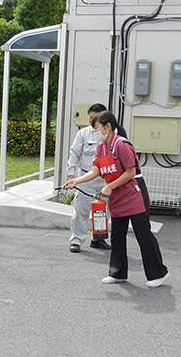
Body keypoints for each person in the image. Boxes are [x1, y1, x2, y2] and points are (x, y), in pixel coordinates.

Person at [63, 111, 169, 288]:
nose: (94, 132)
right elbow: (95, 170)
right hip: (117, 195)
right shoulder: (101, 147)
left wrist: (110, 186)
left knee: (143, 235)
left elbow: (131, 172)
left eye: (96, 128)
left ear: (108, 127)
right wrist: (76, 180)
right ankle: (118, 273)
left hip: (133, 193)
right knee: (117, 236)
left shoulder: (122, 145)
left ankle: (158, 273)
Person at [66, 103, 111, 253]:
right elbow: (74, 153)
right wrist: (71, 175)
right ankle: (76, 240)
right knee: (81, 210)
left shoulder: (110, 134)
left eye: (95, 118)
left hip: (105, 178)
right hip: (86, 177)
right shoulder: (83, 134)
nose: (92, 121)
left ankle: (98, 239)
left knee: (103, 211)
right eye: (90, 118)